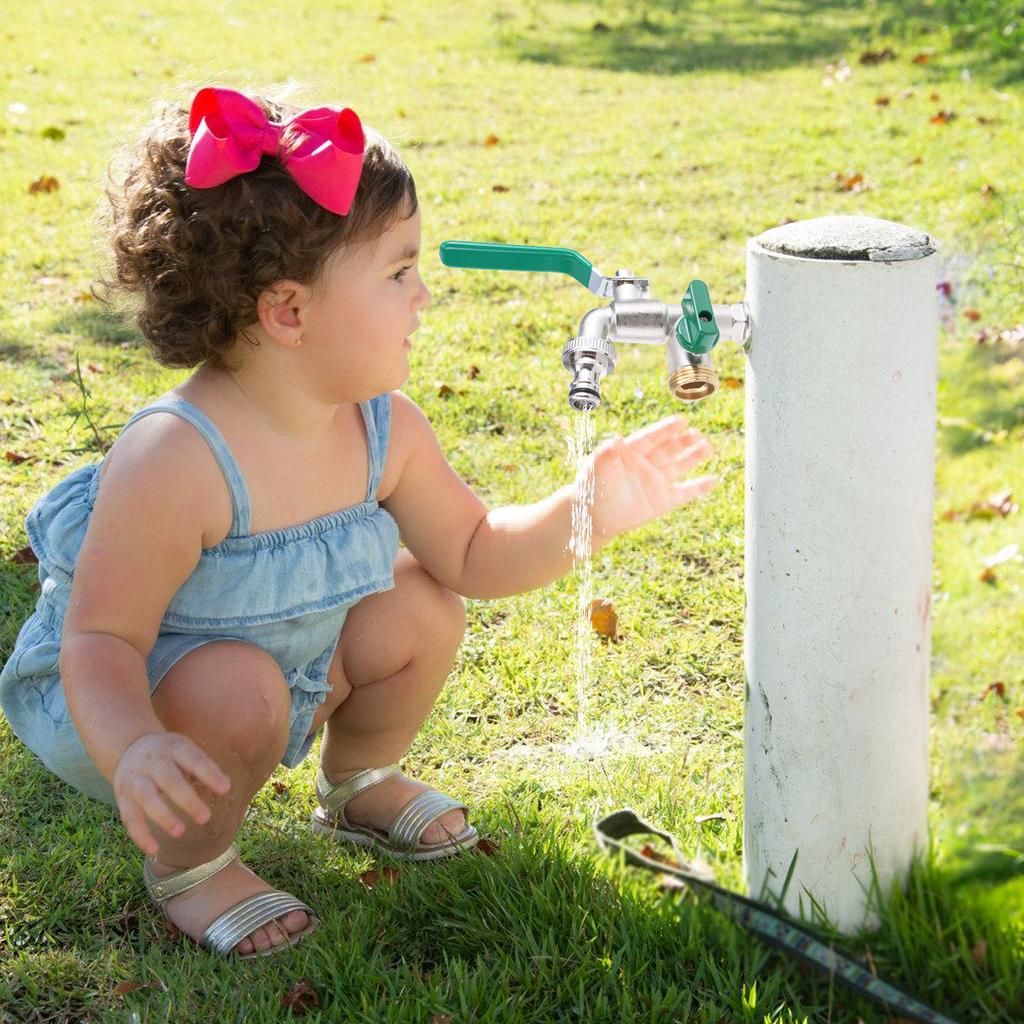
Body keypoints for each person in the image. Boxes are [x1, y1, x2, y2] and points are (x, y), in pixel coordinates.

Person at [0, 84, 718, 960]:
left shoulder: (385, 427)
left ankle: (360, 779)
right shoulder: (177, 458)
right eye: (398, 272)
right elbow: (100, 639)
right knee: (238, 688)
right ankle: (191, 867)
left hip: (284, 671)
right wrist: (136, 751)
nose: (423, 297)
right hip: (136, 709)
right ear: (290, 312)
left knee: (423, 605)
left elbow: (473, 552)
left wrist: (590, 506)